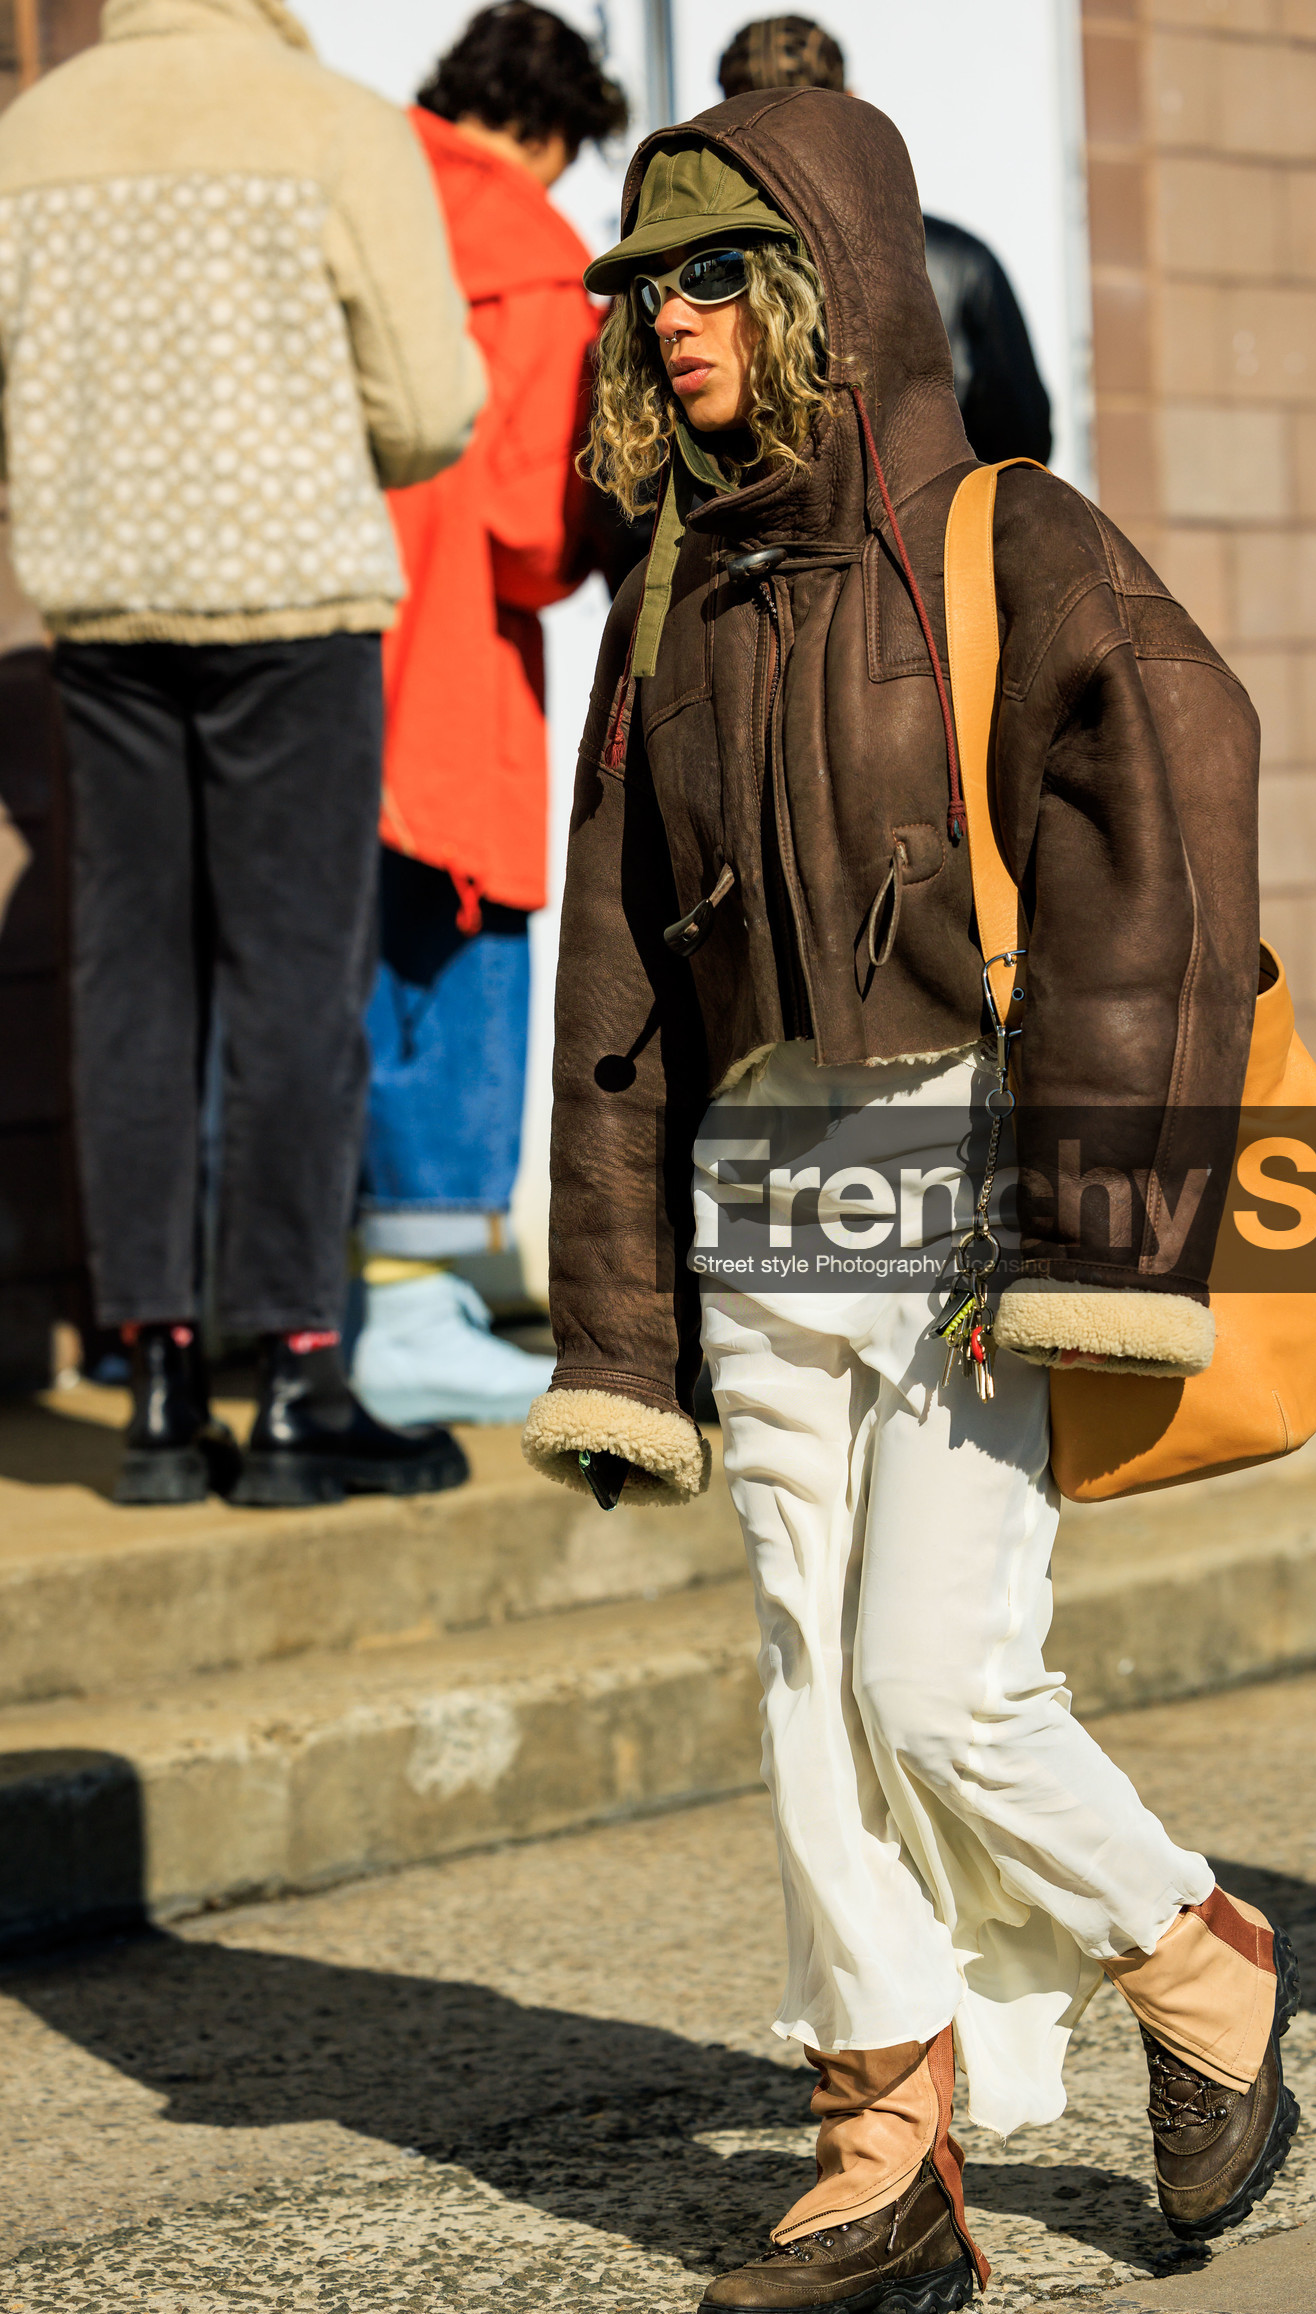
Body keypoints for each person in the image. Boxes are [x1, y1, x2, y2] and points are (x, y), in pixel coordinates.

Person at [522, 90, 1297, 2314]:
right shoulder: (662, 601)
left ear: (817, 288)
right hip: (762, 1185)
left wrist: (1085, 1207)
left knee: (929, 1678)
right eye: (641, 289)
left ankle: (1195, 1963)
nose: (666, 323)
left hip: (962, 1164)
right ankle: (881, 2142)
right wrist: (612, 1320)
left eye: (705, 279)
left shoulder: (1000, 536)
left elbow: (1174, 787)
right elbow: (614, 975)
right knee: (799, 1670)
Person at [0, 0, 485, 1508]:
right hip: (291, 599)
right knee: (293, 983)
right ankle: (291, 1374)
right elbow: (428, 403)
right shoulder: (330, 119)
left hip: (101, 603)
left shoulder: (29, 136)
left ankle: (152, 1387)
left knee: (126, 982)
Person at [349, 3, 628, 1428]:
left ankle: (311, 1299)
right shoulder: (533, 257)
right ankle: (415, 1309)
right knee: (450, 969)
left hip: (307, 656)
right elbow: (526, 526)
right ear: (547, 134)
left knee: (310, 978)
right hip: (452, 661)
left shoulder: (342, 186)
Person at [716, 15, 1053, 465]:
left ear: (723, 127)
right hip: (932, 534)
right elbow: (1023, 451)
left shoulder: (676, 274)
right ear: (852, 106)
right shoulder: (960, 262)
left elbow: (635, 492)